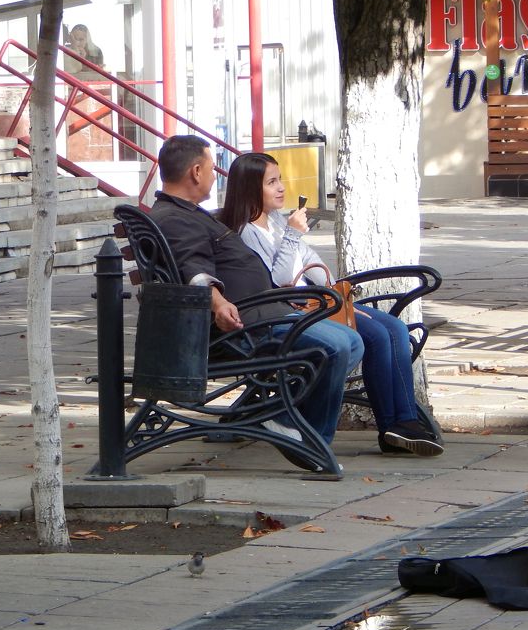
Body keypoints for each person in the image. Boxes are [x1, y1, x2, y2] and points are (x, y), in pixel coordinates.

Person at [220, 152, 444, 457]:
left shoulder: (275, 221)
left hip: (318, 301)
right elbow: (281, 279)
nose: (281, 187)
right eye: (271, 182)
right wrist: (292, 235)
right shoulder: (248, 232)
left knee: (394, 328)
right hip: (293, 309)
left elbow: (310, 262)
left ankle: (401, 423)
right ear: (249, 189)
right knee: (377, 336)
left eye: (280, 179)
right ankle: (392, 423)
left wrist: (335, 291)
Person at [148, 135, 363, 447]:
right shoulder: (176, 219)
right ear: (195, 172)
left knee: (350, 342)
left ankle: (289, 423)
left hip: (265, 313)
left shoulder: (186, 213)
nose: (214, 176)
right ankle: (304, 436)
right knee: (338, 346)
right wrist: (219, 302)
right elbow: (193, 270)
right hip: (247, 325)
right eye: (211, 169)